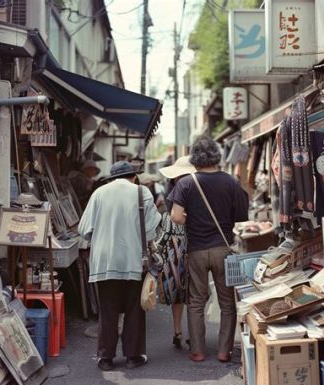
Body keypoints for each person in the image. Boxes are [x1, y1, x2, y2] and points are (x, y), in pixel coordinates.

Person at [168, 135, 249, 363]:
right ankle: (224, 351)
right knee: (226, 301)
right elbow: (242, 216)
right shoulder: (231, 182)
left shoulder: (186, 183)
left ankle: (198, 350)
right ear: (216, 156)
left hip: (196, 250)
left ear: (195, 158)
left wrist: (191, 220)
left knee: (196, 301)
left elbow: (175, 216)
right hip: (223, 248)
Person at [78, 160, 161, 371]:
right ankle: (133, 357)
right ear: (133, 176)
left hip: (105, 261)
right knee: (135, 308)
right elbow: (152, 230)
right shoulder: (142, 193)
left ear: (112, 178)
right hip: (134, 259)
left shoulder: (99, 193)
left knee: (108, 310)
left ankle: (105, 358)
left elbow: (84, 229)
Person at [156, 156, 196, 348]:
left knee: (177, 295)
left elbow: (162, 239)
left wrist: (155, 254)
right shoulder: (199, 206)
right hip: (195, 251)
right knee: (194, 295)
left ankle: (177, 331)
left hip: (174, 255)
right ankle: (191, 333)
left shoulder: (170, 211)